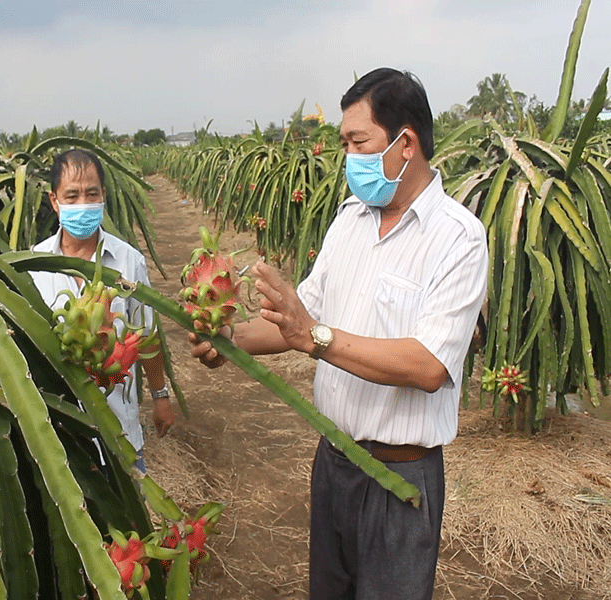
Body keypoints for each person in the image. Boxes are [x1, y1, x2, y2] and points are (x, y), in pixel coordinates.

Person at [190, 68, 488, 599]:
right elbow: (297, 323)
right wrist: (228, 338)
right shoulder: (350, 219)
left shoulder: (459, 240)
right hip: (334, 465)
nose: (348, 157)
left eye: (358, 142)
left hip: (401, 481)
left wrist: (316, 337)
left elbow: (428, 366)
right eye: (344, 143)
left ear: (406, 144)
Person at [30, 148, 176, 474]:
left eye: (91, 194)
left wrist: (161, 395)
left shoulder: (129, 261)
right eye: (72, 195)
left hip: (119, 430)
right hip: (56, 437)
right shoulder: (32, 265)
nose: (83, 203)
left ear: (104, 197)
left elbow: (146, 336)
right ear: (54, 201)